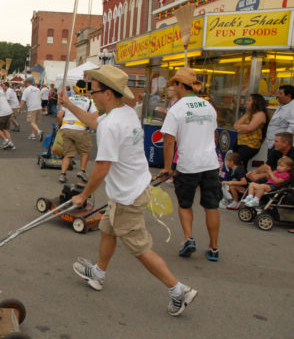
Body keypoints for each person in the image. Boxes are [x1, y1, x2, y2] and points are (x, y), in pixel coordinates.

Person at [61, 65, 196, 317]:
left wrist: (83, 194)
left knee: (140, 248)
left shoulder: (113, 124)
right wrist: (69, 105)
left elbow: (102, 167)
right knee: (107, 229)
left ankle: (179, 290)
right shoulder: (124, 112)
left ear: (108, 93)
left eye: (94, 91)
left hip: (128, 196)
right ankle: (99, 273)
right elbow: (93, 121)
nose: (92, 95)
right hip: (130, 188)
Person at [158, 67, 221, 262]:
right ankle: (214, 247)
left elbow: (168, 141)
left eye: (174, 85)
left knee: (185, 204)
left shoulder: (176, 109)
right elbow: (214, 135)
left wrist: (168, 168)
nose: (172, 89)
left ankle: (189, 239)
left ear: (179, 85)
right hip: (210, 164)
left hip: (188, 164)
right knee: (211, 206)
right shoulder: (208, 106)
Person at [56, 79, 97, 184]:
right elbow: (95, 116)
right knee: (85, 150)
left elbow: (59, 115)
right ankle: (82, 171)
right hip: (80, 129)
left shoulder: (68, 100)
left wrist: (60, 125)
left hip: (66, 128)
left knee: (68, 153)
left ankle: (63, 174)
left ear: (75, 88)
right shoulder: (88, 102)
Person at [233, 94, 269, 168]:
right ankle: (241, 178)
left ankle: (243, 179)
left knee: (237, 164)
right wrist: (244, 128)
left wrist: (243, 128)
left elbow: (250, 128)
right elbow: (236, 125)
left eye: (249, 100)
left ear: (256, 102)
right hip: (240, 143)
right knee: (239, 165)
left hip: (250, 145)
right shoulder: (249, 113)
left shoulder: (260, 114)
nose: (247, 102)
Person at [264, 85, 294, 152]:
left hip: (281, 146)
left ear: (289, 96)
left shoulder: (292, 108)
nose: (277, 95)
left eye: (280, 93)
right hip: (273, 144)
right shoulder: (281, 104)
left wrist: (283, 142)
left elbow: (292, 128)